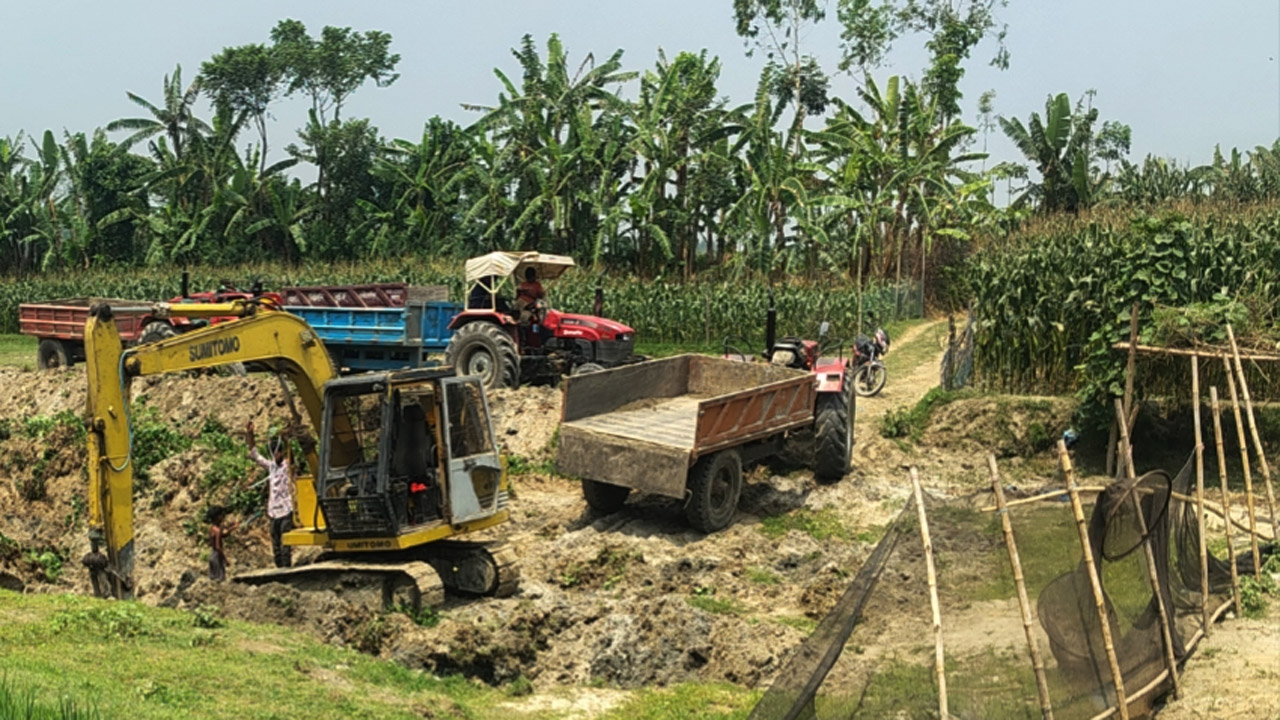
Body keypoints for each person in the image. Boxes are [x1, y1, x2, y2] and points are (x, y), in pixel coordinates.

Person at [247, 421, 293, 569]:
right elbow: (255, 454)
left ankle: (286, 567)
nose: (277, 455)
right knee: (276, 543)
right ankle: (279, 567)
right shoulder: (271, 466)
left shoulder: (287, 466)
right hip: (273, 511)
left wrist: (287, 438)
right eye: (275, 453)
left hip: (285, 510)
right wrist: (250, 434)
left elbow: (292, 458)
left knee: (285, 541)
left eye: (279, 452)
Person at [206, 505, 237, 581]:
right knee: (220, 579)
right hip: (217, 556)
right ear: (217, 517)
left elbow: (222, 535)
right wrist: (225, 559)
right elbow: (218, 547)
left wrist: (231, 529)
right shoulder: (217, 530)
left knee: (213, 579)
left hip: (212, 555)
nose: (223, 517)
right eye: (221, 515)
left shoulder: (212, 528)